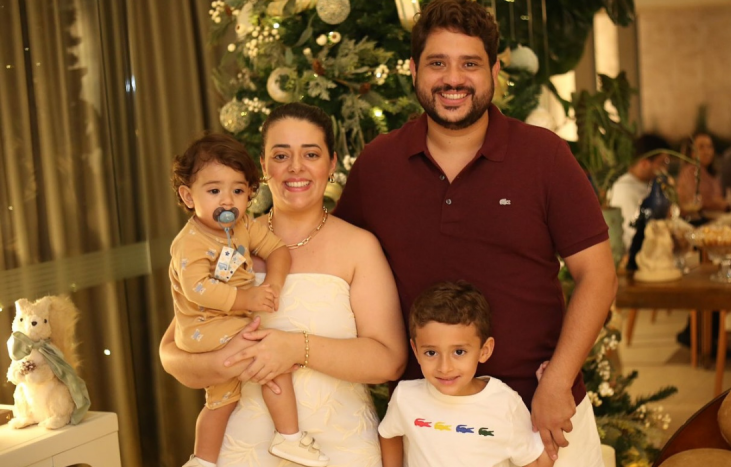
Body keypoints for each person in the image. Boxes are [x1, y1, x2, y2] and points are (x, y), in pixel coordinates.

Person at [335, 1, 618, 464]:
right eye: (437, 63)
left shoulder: (544, 157)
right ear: (413, 70)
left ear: (495, 70)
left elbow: (598, 275)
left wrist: (557, 381)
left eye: (470, 63)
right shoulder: (377, 166)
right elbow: (335, 267)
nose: (453, 79)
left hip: (541, 414)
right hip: (429, 428)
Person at [160, 103, 408, 467]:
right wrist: (226, 361)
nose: (296, 167)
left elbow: (390, 361)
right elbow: (173, 353)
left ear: (332, 163)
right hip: (243, 451)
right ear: (262, 166)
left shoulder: (359, 247)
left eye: (311, 154)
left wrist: (295, 348)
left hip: (339, 451)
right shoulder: (222, 240)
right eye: (281, 155)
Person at [171, 134, 326, 467]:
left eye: (238, 191)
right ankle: (289, 438)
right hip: (203, 328)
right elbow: (197, 288)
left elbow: (277, 250)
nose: (227, 201)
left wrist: (272, 284)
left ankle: (202, 461)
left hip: (227, 324)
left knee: (220, 402)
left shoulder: (241, 226)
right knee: (272, 361)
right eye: (214, 191)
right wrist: (247, 298)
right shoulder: (190, 243)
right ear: (188, 196)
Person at [379, 281, 554, 467]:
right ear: (416, 351)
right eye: (431, 353)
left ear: (484, 350)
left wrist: (550, 394)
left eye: (459, 352)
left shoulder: (504, 404)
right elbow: (389, 434)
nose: (444, 367)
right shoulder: (406, 397)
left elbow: (538, 463)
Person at [607, 134, 672, 250]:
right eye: (662, 163)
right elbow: (636, 233)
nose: (665, 169)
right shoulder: (624, 189)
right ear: (644, 164)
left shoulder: (649, 184)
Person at [676, 132, 727, 214]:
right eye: (701, 147)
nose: (707, 151)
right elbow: (692, 202)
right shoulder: (690, 171)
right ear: (691, 152)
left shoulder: (712, 174)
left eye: (709, 147)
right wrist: (718, 203)